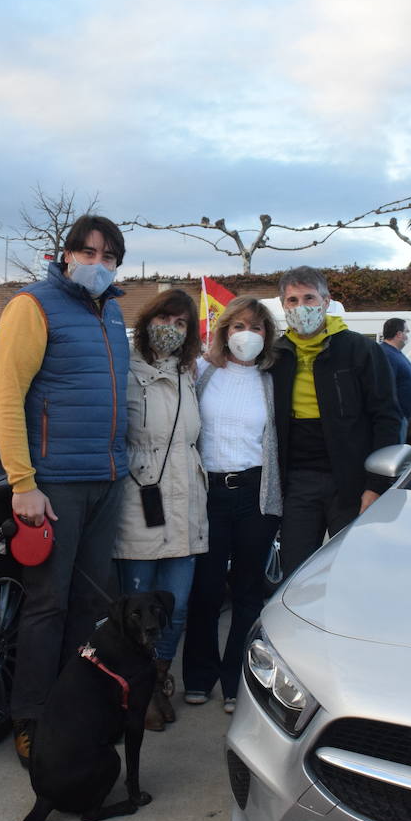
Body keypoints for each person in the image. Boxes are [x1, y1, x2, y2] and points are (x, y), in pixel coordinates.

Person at [0, 214, 130, 768]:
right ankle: (30, 719)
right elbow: (6, 398)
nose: (98, 264)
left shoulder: (112, 311)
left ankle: (77, 708)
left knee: (94, 603)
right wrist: (23, 484)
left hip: (106, 477)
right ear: (66, 254)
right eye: (88, 253)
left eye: (109, 256)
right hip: (53, 485)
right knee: (47, 604)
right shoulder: (33, 305)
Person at [112, 289, 207, 732]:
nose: (172, 328)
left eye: (182, 323)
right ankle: (136, 689)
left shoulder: (192, 372)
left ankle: (158, 679)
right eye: (165, 317)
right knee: (135, 607)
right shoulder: (123, 369)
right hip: (139, 497)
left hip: (186, 498)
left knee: (177, 604)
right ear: (148, 319)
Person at [268, 267, 400, 580]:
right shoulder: (276, 356)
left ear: (326, 301)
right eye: (292, 300)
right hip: (298, 485)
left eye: (309, 297)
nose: (301, 307)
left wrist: (375, 486)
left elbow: (387, 416)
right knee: (297, 575)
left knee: (352, 574)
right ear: (283, 305)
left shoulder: (361, 350)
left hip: (351, 485)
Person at [183, 297, 282, 713]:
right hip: (208, 491)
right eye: (239, 325)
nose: (247, 334)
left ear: (267, 335)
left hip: (255, 492)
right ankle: (198, 676)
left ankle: (233, 679)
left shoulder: (271, 378)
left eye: (257, 327)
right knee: (205, 589)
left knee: (246, 590)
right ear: (224, 330)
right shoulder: (202, 372)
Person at [378, 317, 411, 445]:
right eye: (406, 332)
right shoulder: (386, 354)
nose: (407, 336)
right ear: (399, 334)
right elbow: (387, 387)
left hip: (400, 418)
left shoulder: (395, 353)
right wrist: (396, 414)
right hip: (395, 419)